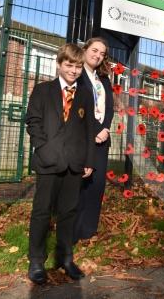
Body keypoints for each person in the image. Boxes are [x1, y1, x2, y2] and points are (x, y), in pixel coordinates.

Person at [26, 43, 96, 284]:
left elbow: (89, 130)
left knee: (68, 213)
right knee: (42, 212)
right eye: (69, 65)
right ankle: (36, 260)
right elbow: (33, 121)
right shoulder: (43, 90)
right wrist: (42, 148)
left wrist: (88, 160)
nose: (74, 71)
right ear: (59, 64)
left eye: (78, 66)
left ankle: (66, 258)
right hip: (48, 161)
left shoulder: (85, 95)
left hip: (74, 164)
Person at [74, 37, 115, 242]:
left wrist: (105, 127)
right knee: (79, 184)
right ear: (85, 49)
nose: (98, 55)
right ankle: (73, 230)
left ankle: (89, 230)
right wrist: (96, 129)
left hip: (102, 140)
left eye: (102, 53)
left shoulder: (103, 79)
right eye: (95, 50)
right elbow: (77, 107)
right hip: (83, 138)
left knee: (97, 185)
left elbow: (110, 108)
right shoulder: (77, 74)